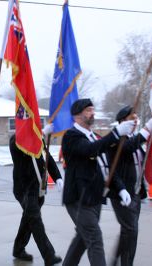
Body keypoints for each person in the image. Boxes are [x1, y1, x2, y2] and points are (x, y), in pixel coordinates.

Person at [61, 99, 135, 266]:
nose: (92, 113)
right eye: (88, 110)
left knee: (82, 238)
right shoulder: (71, 137)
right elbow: (89, 150)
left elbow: (107, 167)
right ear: (77, 116)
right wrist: (115, 133)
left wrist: (121, 189)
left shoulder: (95, 137)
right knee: (95, 238)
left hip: (94, 198)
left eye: (93, 109)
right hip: (79, 199)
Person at [107, 106, 152, 266]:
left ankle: (115, 260)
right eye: (132, 118)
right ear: (122, 121)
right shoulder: (115, 139)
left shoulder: (132, 137)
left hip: (135, 193)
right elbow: (128, 148)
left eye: (136, 117)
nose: (136, 120)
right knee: (131, 230)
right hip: (121, 194)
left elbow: (138, 158)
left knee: (127, 231)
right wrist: (146, 130)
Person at [9, 130, 63, 265]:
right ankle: (49, 255)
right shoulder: (17, 140)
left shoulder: (39, 140)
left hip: (38, 188)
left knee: (28, 219)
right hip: (24, 189)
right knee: (35, 220)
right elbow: (17, 145)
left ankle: (18, 249)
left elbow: (47, 158)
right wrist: (34, 134)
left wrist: (58, 178)